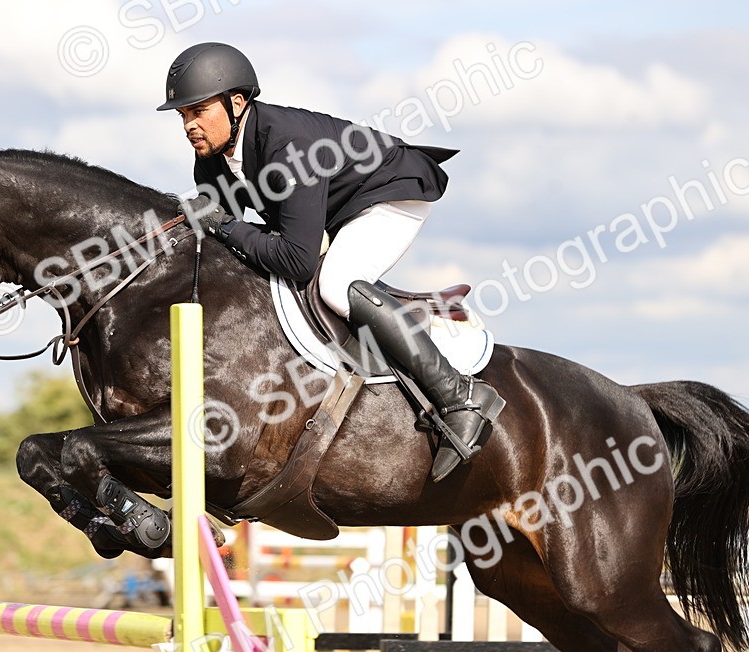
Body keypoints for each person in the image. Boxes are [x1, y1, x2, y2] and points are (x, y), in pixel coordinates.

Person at [158, 42, 505, 482]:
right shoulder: (213, 156)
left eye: (197, 111)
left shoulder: (288, 145)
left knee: (337, 284)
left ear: (237, 103)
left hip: (392, 193)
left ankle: (460, 398)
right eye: (183, 115)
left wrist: (226, 227)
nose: (189, 125)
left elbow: (296, 259)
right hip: (340, 206)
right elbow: (222, 239)